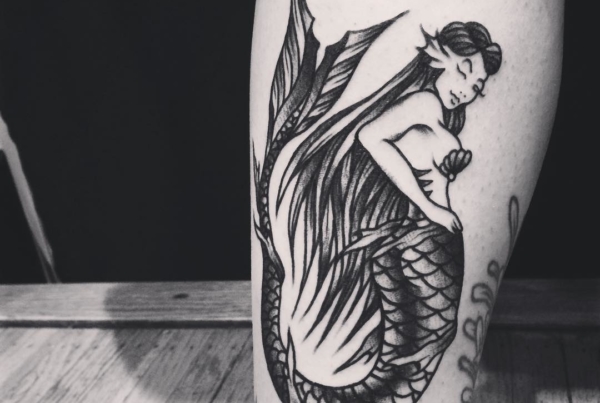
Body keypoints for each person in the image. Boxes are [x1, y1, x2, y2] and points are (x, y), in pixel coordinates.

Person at [250, 0, 564, 402]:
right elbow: (370, 137)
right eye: (465, 71)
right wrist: (430, 208)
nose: (468, 89)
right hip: (408, 244)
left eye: (477, 85)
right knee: (418, 346)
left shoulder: (445, 116)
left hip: (417, 247)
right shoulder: (426, 103)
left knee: (422, 342)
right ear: (441, 55)